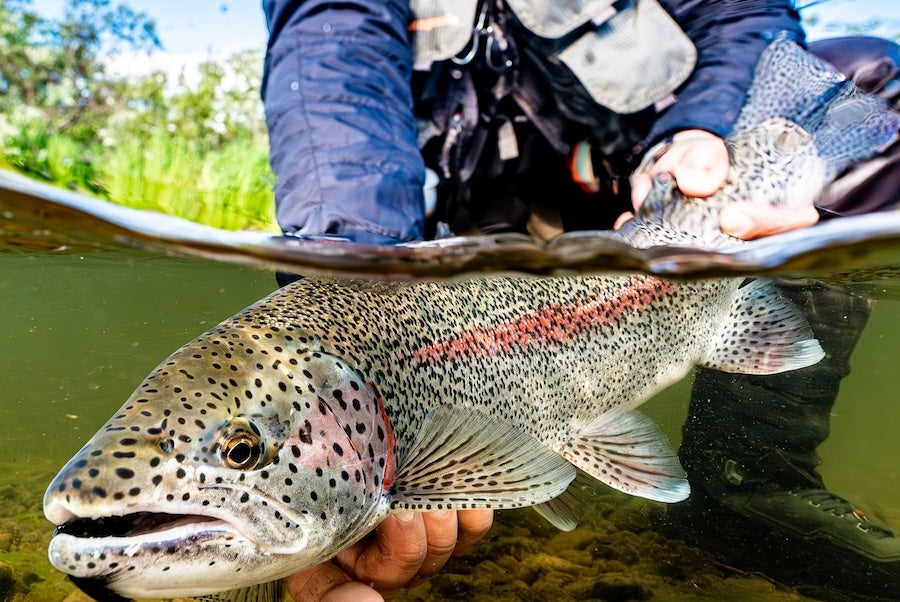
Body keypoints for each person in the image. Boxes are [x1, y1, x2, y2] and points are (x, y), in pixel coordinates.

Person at [259, 1, 900, 600]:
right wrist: (347, 266)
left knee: (864, 74)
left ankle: (750, 484)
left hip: (637, 185)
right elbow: (333, 60)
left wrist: (700, 131)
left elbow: (737, 11)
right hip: (434, 230)